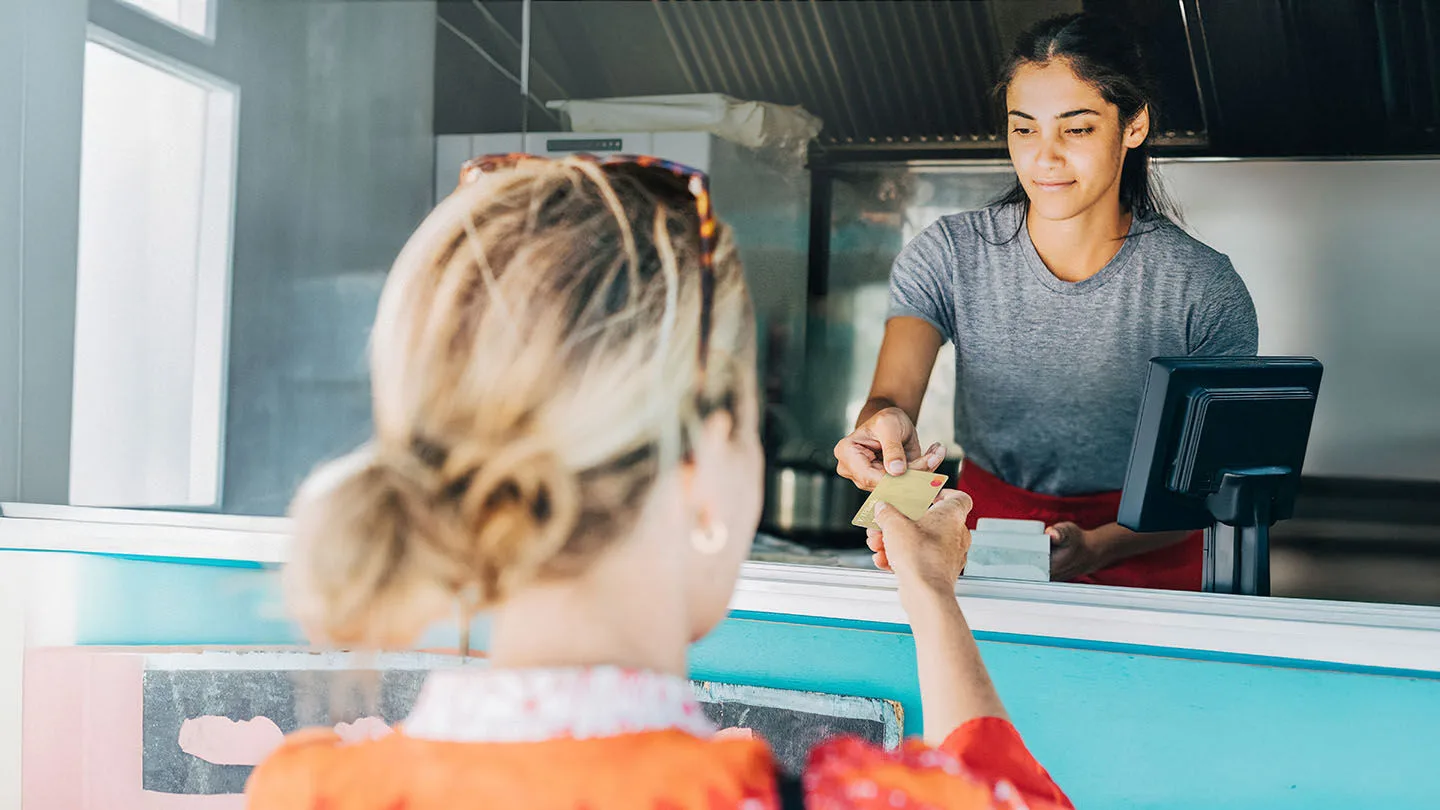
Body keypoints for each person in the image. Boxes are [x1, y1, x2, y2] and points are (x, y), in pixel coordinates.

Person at [244, 155, 1071, 809]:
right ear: (706, 468)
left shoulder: (306, 793)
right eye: (755, 424)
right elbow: (1006, 795)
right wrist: (930, 590)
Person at [835, 13, 1258, 592]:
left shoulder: (1202, 287)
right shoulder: (950, 254)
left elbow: (1214, 485)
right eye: (1024, 129)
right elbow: (890, 400)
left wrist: (1097, 548)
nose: (1044, 157)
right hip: (985, 541)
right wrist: (879, 431)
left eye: (1076, 129)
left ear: (1133, 125)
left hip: (1146, 554)